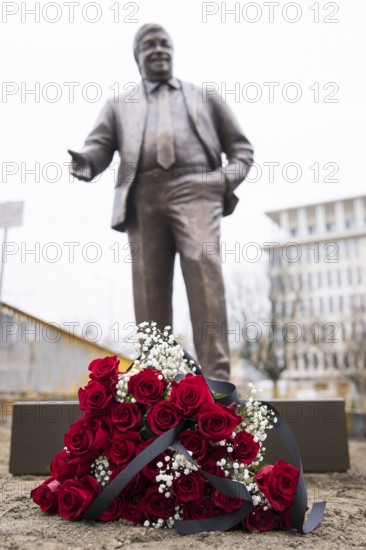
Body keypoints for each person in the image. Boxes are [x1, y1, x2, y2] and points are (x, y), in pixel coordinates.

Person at [69, 23, 254, 381]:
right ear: (137, 58)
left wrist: (220, 182)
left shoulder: (205, 97)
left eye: (164, 43)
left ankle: (217, 381)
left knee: (204, 272)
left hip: (197, 191)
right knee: (149, 286)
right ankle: (157, 381)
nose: (158, 50)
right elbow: (100, 145)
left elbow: (242, 150)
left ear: (173, 50)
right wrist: (87, 162)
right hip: (143, 197)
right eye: (149, 45)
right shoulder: (120, 105)